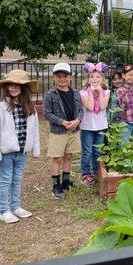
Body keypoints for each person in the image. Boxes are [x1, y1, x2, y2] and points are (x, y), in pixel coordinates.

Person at [0, 70, 40, 223]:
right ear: (6, 87)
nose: (13, 88)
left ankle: (16, 206)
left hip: (22, 152)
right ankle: (4, 210)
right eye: (10, 84)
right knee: (6, 180)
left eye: (17, 85)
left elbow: (34, 130)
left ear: (24, 88)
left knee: (17, 180)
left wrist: (35, 148)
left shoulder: (30, 108)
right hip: (6, 153)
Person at [43, 62, 83, 199]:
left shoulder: (76, 93)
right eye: (58, 76)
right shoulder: (50, 94)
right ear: (54, 78)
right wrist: (62, 122)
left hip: (73, 129)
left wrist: (77, 120)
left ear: (70, 78)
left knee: (68, 155)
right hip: (59, 131)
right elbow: (47, 113)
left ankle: (66, 181)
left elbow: (80, 110)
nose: (62, 79)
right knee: (57, 158)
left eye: (65, 76)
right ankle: (56, 184)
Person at [80, 62, 110, 186]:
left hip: (101, 126)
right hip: (87, 126)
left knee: (97, 151)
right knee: (87, 151)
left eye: (98, 77)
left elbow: (103, 106)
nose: (95, 79)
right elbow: (90, 107)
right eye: (92, 77)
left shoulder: (106, 92)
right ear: (88, 80)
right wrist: (92, 93)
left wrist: (100, 92)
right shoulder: (83, 93)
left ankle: (97, 172)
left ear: (102, 79)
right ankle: (86, 174)